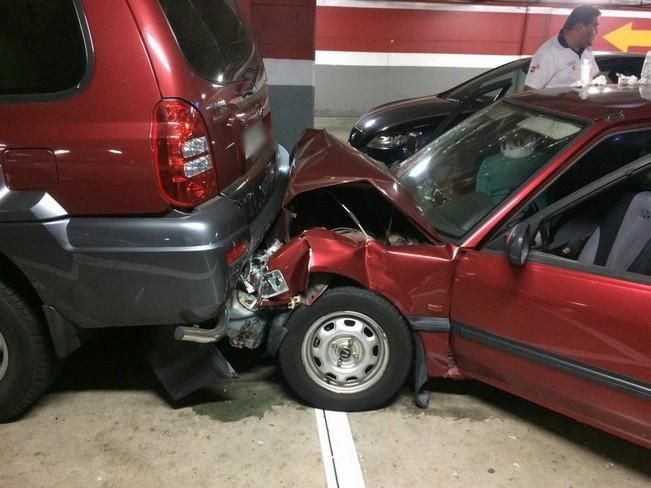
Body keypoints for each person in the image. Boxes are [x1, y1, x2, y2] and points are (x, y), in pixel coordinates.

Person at [525, 5, 601, 90]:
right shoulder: (548, 54)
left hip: (585, 102)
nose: (597, 31)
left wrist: (616, 94)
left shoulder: (586, 49)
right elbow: (529, 92)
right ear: (580, 28)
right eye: (594, 26)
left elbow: (596, 76)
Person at [476, 130, 547, 204]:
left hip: (499, 211)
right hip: (539, 211)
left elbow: (481, 197)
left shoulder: (489, 162)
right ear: (532, 139)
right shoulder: (545, 160)